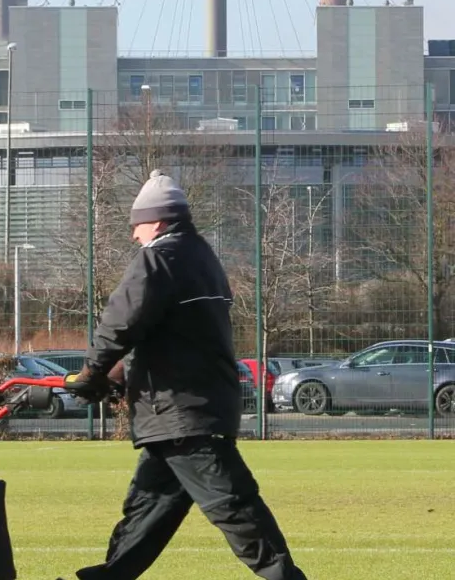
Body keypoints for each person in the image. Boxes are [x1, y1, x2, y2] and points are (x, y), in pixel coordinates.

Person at [62, 170, 307, 580]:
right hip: (191, 408)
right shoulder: (202, 258)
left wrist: (94, 371)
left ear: (156, 222)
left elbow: (121, 322)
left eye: (135, 225)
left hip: (182, 413)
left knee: (235, 507)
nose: (133, 235)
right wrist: (122, 374)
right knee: (148, 509)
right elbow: (174, 332)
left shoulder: (156, 258)